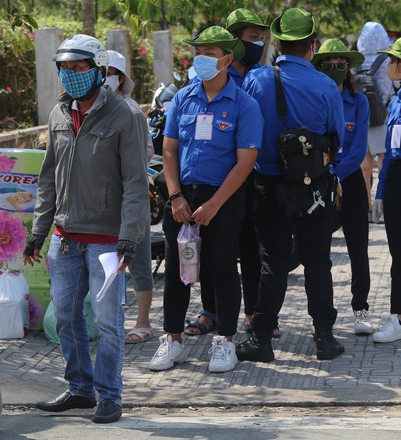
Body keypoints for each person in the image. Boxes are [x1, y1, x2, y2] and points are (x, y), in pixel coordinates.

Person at [23, 35, 149, 424]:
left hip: (108, 243)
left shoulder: (124, 116)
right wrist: (37, 233)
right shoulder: (59, 114)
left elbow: (135, 183)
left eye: (78, 68)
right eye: (63, 68)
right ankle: (79, 388)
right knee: (65, 318)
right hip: (65, 238)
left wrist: (129, 237)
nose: (70, 75)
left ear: (98, 70)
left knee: (109, 323)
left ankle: (110, 395)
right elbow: (48, 180)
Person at [148, 26, 262, 374]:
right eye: (198, 52)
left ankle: (224, 341)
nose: (201, 59)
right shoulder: (183, 96)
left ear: (227, 59)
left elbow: (246, 162)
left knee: (224, 269)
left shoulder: (244, 104)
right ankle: (173, 340)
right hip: (182, 196)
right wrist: (176, 195)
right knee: (177, 273)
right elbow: (168, 150)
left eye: (210, 54)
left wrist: (214, 205)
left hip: (222, 199)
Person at [235, 8, 345, 362]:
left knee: (273, 262)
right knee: (317, 261)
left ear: (278, 43)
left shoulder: (256, 79)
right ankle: (325, 339)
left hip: (268, 185)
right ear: (313, 46)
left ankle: (262, 339)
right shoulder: (327, 85)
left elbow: (246, 131)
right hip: (315, 186)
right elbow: (336, 138)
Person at [185, 9, 270, 337]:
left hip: (252, 175)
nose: (258, 43)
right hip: (213, 182)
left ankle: (252, 312)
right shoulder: (207, 79)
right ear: (234, 42)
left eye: (261, 38)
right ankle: (210, 310)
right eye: (252, 37)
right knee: (211, 250)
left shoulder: (264, 77)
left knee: (250, 247)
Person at [311, 39, 373, 335]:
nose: (335, 69)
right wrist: (327, 176)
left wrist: (336, 175)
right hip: (320, 182)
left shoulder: (358, 101)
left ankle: (360, 308)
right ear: (318, 66)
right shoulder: (314, 99)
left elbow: (358, 148)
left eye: (341, 64)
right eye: (328, 64)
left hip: (348, 182)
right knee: (318, 249)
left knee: (358, 248)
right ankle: (323, 316)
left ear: (348, 67)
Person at [105, 49, 155, 344]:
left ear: (120, 78)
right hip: (101, 200)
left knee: (138, 259)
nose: (104, 77)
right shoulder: (89, 109)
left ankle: (144, 322)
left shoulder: (132, 111)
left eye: (109, 71)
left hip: (131, 195)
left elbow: (145, 152)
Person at [371, 37, 401, 343]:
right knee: (397, 253)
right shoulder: (397, 100)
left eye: (393, 60)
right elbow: (391, 154)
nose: (389, 65)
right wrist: (380, 192)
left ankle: (398, 316)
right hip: (393, 183)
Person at [357, 22, 395, 224]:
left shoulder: (357, 61)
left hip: (363, 118)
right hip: (384, 116)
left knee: (365, 165)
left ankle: (367, 208)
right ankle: (385, 204)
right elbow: (390, 87)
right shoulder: (385, 60)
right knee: (384, 162)